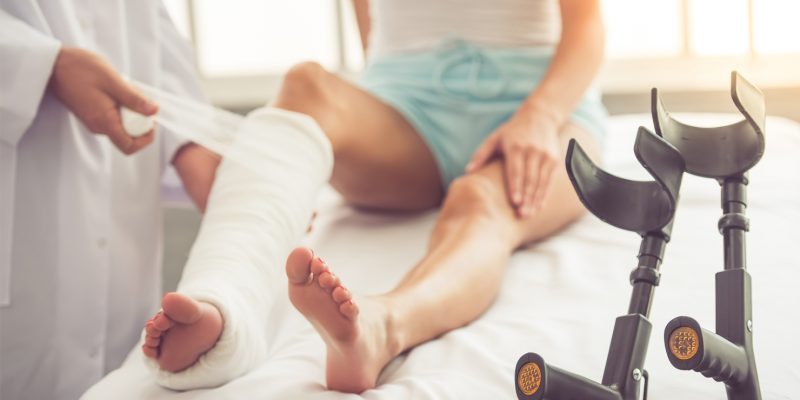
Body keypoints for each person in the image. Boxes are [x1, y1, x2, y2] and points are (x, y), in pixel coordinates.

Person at [140, 0, 607, 393]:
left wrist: (540, 116)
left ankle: (382, 326)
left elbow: (587, 24)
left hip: (543, 106)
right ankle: (223, 307)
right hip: (410, 113)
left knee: (481, 202)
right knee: (306, 84)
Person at [0, 1, 223, 398]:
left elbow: (150, 28)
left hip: (123, 192)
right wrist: (42, 64)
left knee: (123, 375)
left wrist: (190, 143)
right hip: (22, 175)